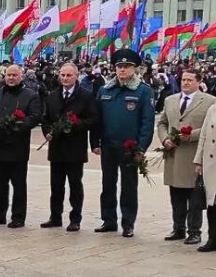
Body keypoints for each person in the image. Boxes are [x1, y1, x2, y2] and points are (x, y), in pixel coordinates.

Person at [91, 49, 155, 238]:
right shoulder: (105, 90)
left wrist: (141, 147)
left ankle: (128, 223)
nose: (122, 70)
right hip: (109, 145)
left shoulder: (143, 91)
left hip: (130, 148)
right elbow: (97, 119)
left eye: (127, 66)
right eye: (119, 66)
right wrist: (95, 142)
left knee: (128, 186)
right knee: (107, 184)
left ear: (135, 68)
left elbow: (147, 123)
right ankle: (108, 220)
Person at [0, 64, 42, 229]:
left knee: (19, 184)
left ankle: (18, 217)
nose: (11, 78)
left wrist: (15, 127)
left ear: (21, 76)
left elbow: (35, 116)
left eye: (15, 75)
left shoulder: (31, 95)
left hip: (17, 146)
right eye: (9, 75)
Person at [157, 70, 214, 245]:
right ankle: (178, 228)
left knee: (195, 197)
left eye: (190, 80)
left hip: (193, 155)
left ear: (199, 82)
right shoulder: (170, 100)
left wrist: (191, 135)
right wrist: (165, 138)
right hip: (174, 155)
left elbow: (210, 127)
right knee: (176, 196)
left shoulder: (210, 102)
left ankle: (194, 231)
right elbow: (162, 122)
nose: (185, 83)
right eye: (183, 80)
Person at [40, 63, 98, 232]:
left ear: (76, 76)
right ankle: (55, 217)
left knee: (75, 184)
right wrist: (48, 132)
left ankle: (75, 219)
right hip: (57, 147)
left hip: (75, 148)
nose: (65, 78)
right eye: (63, 75)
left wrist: (76, 124)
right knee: (56, 185)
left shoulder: (85, 96)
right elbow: (46, 119)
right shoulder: (52, 95)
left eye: (69, 75)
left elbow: (93, 118)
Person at [193, 99, 216, 252]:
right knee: (212, 203)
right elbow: (203, 136)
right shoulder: (212, 109)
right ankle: (213, 238)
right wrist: (198, 160)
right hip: (211, 163)